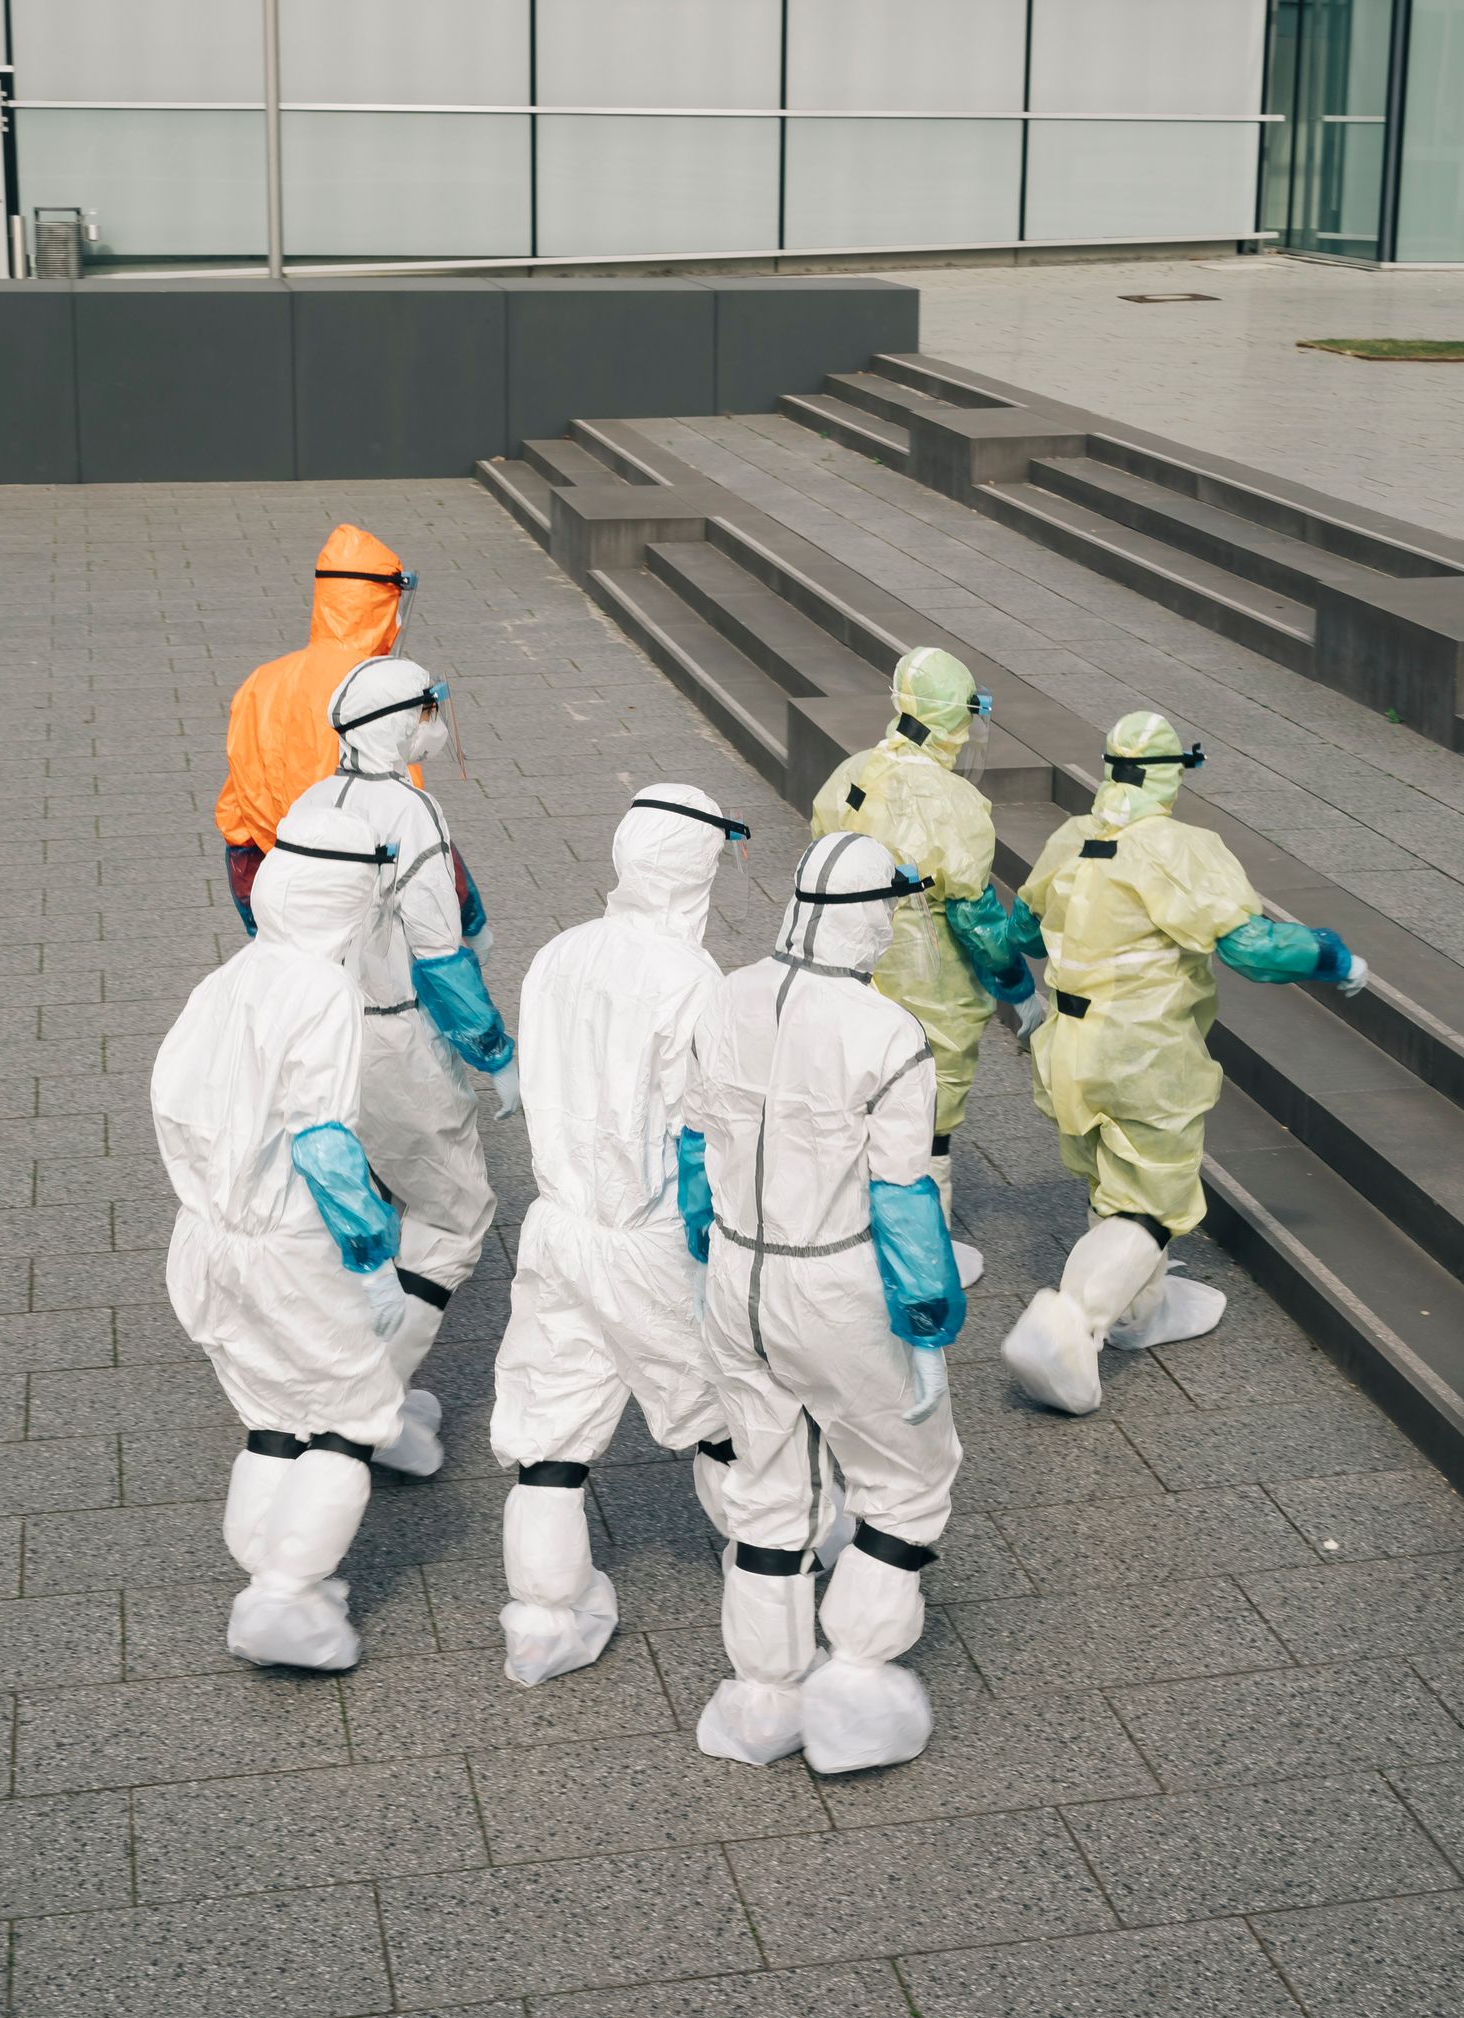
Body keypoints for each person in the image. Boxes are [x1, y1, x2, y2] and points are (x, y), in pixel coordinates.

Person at [683, 832, 965, 1776]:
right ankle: (854, 1687)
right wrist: (928, 1324)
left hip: (736, 1275)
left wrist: (705, 1255)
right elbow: (901, 1197)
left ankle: (762, 1700)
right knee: (907, 1477)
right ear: (869, 914)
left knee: (768, 1484)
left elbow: (690, 1147)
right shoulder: (886, 1031)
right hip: (833, 1280)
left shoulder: (726, 994)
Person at [995, 712, 1370, 1417]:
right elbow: (1250, 948)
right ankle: (1070, 1324)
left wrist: (1016, 988)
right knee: (1154, 1201)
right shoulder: (1182, 847)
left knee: (1111, 1173)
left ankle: (1145, 1311)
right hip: (1142, 1052)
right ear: (1172, 772)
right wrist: (1331, 955)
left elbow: (1021, 929)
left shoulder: (1072, 838)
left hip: (1067, 1048)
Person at [151, 801, 445, 1675]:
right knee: (353, 1416)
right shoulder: (321, 987)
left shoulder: (234, 974)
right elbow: (323, 1141)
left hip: (207, 1239)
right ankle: (284, 1594)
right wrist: (370, 1256)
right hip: (288, 1243)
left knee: (273, 1411)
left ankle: (274, 1578)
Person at [490, 787, 752, 1687]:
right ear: (700, 871)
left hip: (560, 1225)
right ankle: (776, 1580)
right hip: (649, 1240)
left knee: (549, 1423)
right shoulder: (693, 980)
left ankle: (543, 1619)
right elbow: (705, 1130)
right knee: (724, 1418)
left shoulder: (560, 953)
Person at [295, 656, 518, 1359]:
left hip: (316, 1031)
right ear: (397, 724)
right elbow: (438, 954)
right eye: (427, 711)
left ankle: (334, 1358)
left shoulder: (312, 802)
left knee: (360, 1199)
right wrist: (496, 1053)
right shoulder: (409, 809)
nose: (435, 725)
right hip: (391, 1037)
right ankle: (373, 1402)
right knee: (454, 1217)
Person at [812, 647, 1032, 1292]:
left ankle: (850, 1234)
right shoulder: (955, 801)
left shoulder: (854, 773)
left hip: (849, 958)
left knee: (858, 1100)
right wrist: (1017, 985)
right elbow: (973, 915)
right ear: (956, 719)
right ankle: (919, 1255)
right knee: (927, 1112)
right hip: (924, 971)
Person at [215, 525, 490, 956]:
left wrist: (256, 910)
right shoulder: (378, 697)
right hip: (357, 888)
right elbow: (407, 815)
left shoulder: (260, 683)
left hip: (273, 876)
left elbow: (238, 810)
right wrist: (469, 915)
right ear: (382, 603)